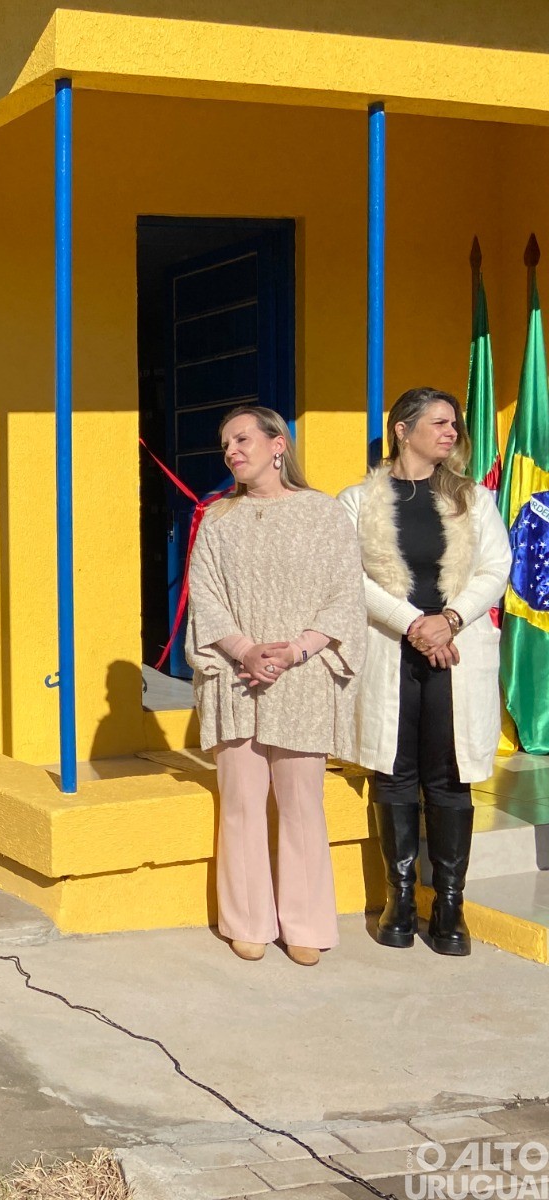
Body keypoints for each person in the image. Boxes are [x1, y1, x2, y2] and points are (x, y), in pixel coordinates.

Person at [186, 406, 366, 966]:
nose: (231, 451)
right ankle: (247, 921)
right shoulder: (218, 520)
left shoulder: (325, 514)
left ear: (277, 444)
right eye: (225, 445)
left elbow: (344, 593)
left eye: (241, 439)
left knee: (301, 804)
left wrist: (296, 650)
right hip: (237, 679)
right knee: (240, 803)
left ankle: (308, 923)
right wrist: (244, 650)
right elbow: (204, 595)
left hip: (303, 676)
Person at [340, 387, 511, 956]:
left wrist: (451, 620)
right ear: (401, 429)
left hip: (456, 652)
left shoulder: (473, 499)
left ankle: (450, 905)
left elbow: (495, 566)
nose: (451, 432)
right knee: (393, 771)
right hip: (392, 648)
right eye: (439, 422)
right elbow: (349, 577)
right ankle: (400, 897)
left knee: (451, 774)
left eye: (454, 424)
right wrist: (418, 624)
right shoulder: (357, 501)